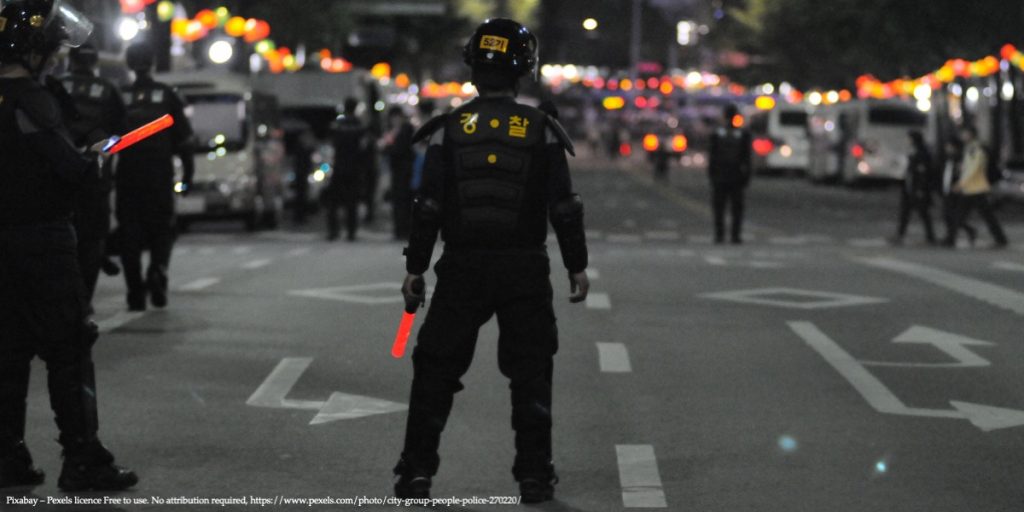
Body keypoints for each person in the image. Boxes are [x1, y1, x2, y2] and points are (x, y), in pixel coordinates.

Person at [393, 18, 590, 504]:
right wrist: (576, 265)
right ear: (525, 70)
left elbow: (429, 208)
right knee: (531, 374)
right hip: (524, 268)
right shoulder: (543, 130)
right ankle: (534, 477)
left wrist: (416, 267)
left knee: (435, 370)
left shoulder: (449, 129)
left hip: (461, 268)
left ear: (473, 69)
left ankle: (416, 474)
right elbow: (563, 206)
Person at [0, 0, 137, 491]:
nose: (58, 56)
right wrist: (95, 160)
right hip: (42, 241)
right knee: (69, 347)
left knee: (8, 352)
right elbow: (70, 170)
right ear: (33, 50)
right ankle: (83, 459)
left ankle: (8, 458)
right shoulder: (32, 99)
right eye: (53, 48)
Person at [117, 41, 195, 311]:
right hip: (160, 177)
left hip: (127, 177)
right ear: (152, 62)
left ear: (128, 62)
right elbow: (185, 142)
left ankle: (135, 293)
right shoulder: (167, 95)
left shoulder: (119, 96)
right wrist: (187, 177)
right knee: (163, 230)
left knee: (130, 236)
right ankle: (158, 268)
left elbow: (104, 140)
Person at [58, 42, 127, 302]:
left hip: (59, 176)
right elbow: (122, 134)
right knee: (93, 237)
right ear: (94, 63)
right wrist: (101, 152)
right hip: (95, 177)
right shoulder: (108, 90)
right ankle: (84, 298)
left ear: (71, 61)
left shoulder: (55, 86)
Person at [942, 125, 1008, 248]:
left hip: (975, 187)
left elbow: (974, 168)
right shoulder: (971, 148)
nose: (962, 136)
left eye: (964, 133)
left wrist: (960, 183)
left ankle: (951, 238)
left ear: (970, 134)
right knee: (984, 215)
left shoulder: (975, 148)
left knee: (962, 215)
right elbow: (970, 167)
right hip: (973, 187)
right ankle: (1000, 238)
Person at [325, 98, 370, 241]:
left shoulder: (338, 125)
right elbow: (364, 147)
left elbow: (332, 143)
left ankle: (333, 231)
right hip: (354, 168)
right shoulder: (359, 126)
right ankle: (351, 232)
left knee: (333, 202)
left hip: (339, 166)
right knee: (352, 203)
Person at [707, 104, 752, 244]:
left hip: (722, 176)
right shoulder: (742, 134)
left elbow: (712, 156)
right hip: (736, 176)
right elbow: (747, 158)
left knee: (720, 208)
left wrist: (712, 175)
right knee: (736, 208)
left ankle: (720, 235)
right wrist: (746, 176)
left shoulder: (717, 134)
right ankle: (734, 235)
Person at [891, 131, 936, 245]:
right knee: (906, 212)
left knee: (923, 213)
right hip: (909, 187)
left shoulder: (922, 153)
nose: (907, 141)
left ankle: (930, 236)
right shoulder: (913, 151)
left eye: (909, 138)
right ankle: (900, 234)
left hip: (917, 188)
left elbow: (923, 173)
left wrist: (921, 188)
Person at [381, 106, 415, 240]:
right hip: (396, 169)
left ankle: (404, 229)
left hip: (405, 169)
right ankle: (399, 229)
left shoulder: (406, 129)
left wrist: (388, 146)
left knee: (404, 200)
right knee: (398, 199)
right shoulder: (393, 130)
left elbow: (399, 149)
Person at [939, 137, 977, 245]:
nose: (946, 148)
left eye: (949, 146)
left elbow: (966, 174)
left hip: (958, 190)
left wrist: (959, 185)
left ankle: (951, 238)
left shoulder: (961, 159)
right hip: (947, 190)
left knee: (954, 216)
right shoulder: (947, 158)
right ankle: (968, 231)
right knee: (948, 215)